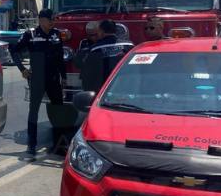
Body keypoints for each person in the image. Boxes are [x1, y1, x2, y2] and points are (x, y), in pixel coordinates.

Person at [9, 9, 66, 161]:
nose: (53, 22)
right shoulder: (31, 35)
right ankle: (31, 145)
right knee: (33, 111)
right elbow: (13, 50)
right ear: (41, 20)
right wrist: (22, 69)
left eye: (53, 19)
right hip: (37, 79)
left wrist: (64, 77)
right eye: (50, 19)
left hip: (54, 79)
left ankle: (59, 145)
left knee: (58, 112)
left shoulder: (56, 34)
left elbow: (60, 57)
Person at [79, 19, 134, 93]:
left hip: (104, 87)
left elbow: (89, 72)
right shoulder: (129, 45)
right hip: (125, 83)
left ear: (101, 31)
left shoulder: (95, 48)